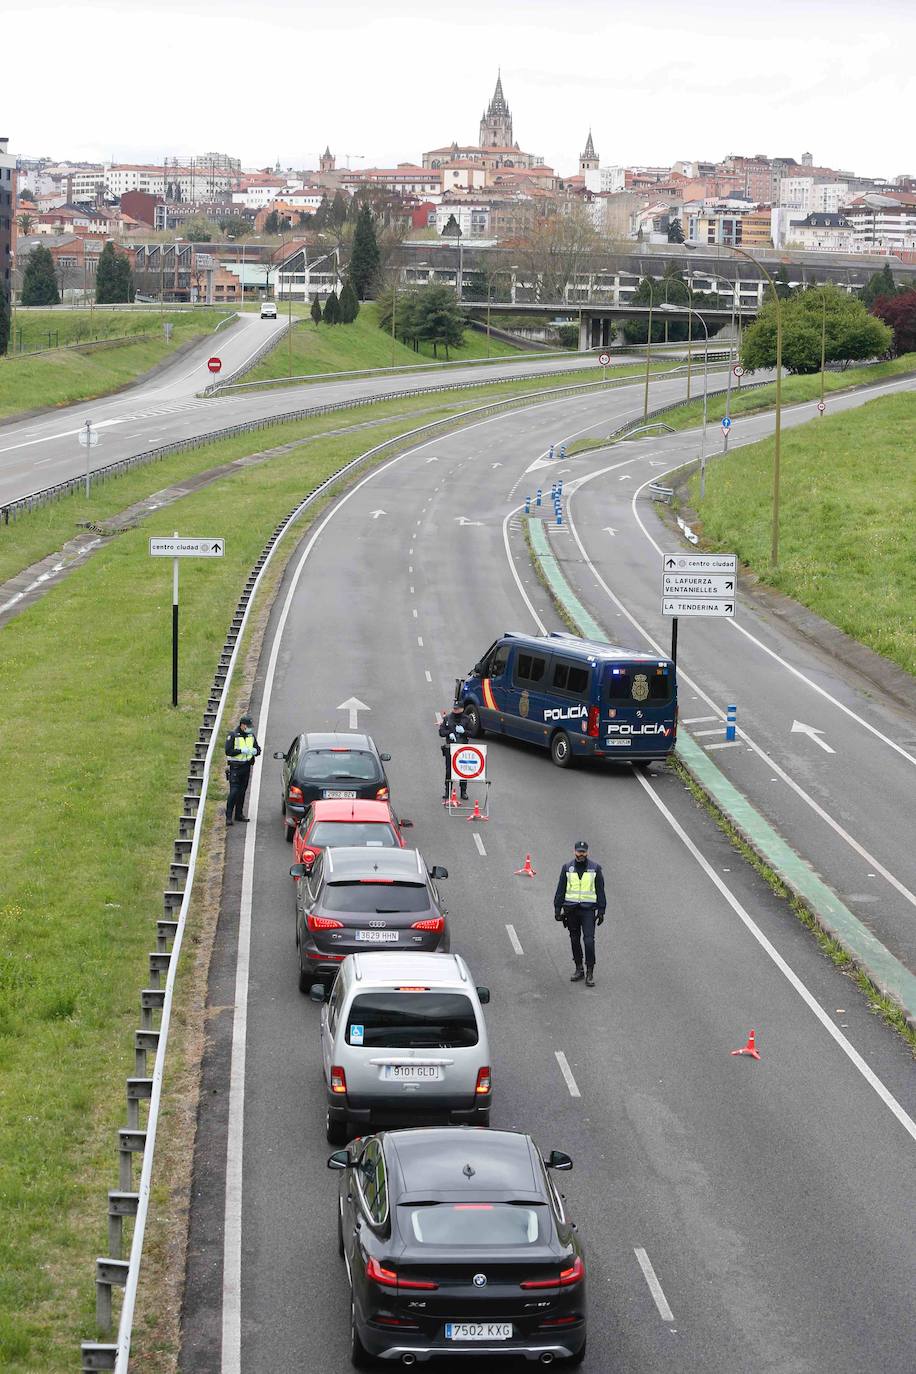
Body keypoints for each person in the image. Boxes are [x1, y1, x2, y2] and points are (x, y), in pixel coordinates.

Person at [553, 840, 606, 987]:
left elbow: (600, 890)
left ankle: (590, 971)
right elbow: (561, 889)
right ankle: (579, 968)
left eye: (583, 852)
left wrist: (601, 911)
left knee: (589, 941)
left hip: (588, 910)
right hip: (571, 910)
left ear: (587, 852)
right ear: (574, 852)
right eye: (579, 851)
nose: (581, 854)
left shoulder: (595, 868)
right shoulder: (567, 868)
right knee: (574, 940)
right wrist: (557, 909)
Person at [225, 713, 261, 825]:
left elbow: (257, 749)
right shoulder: (233, 735)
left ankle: (239, 814)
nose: (249, 728)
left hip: (246, 767)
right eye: (248, 726)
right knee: (234, 792)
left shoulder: (251, 736)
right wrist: (241, 751)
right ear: (242, 725)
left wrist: (256, 751)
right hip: (235, 768)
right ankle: (229, 816)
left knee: (242, 792)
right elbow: (228, 751)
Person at [439, 703, 470, 801]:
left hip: (462, 749)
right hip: (450, 748)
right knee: (449, 770)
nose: (455, 710)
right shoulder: (447, 718)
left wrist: (463, 732)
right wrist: (449, 733)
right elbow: (441, 732)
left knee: (463, 770)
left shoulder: (466, 719)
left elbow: (473, 732)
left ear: (462, 709)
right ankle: (447, 791)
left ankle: (463, 791)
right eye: (454, 708)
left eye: (457, 709)